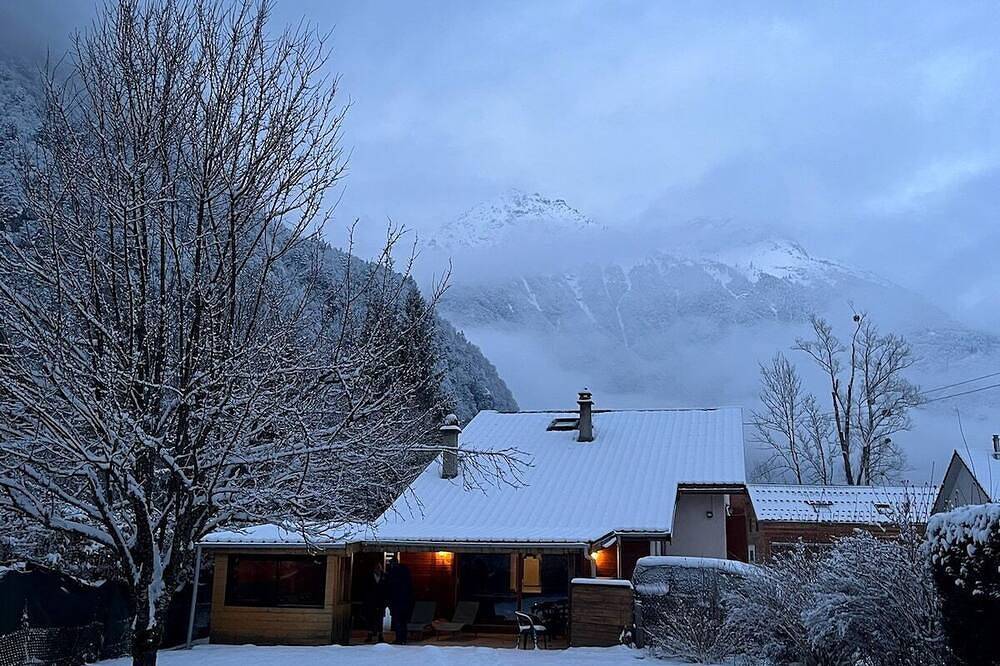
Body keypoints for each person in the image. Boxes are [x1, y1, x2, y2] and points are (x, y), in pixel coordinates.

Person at [385, 556, 414, 644]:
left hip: (397, 601)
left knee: (398, 621)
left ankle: (399, 638)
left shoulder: (393, 574)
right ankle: (403, 639)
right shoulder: (405, 572)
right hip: (405, 602)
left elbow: (390, 587)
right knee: (403, 622)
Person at [362, 562, 387, 643]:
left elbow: (386, 588)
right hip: (371, 601)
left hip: (380, 601)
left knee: (379, 619)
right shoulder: (369, 577)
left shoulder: (384, 577)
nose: (378, 569)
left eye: (379, 567)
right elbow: (366, 589)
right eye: (377, 567)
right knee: (370, 618)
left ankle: (380, 635)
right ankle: (370, 634)